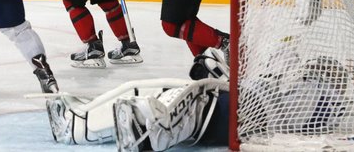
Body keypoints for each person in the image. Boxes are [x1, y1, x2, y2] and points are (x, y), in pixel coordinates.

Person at [45, 47, 230, 149]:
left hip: (245, 114)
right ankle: (80, 125)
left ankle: (153, 133)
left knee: (201, 98)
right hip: (245, 103)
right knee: (157, 89)